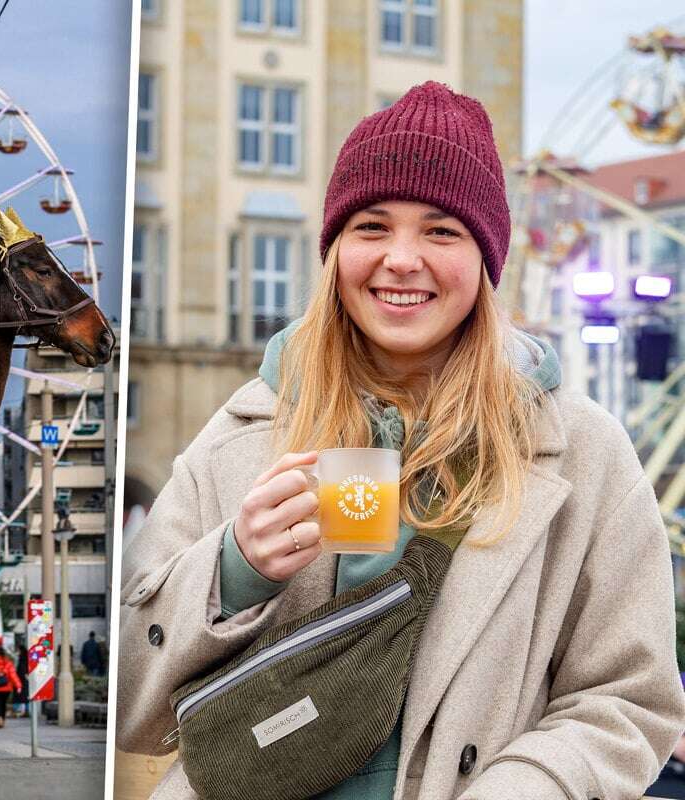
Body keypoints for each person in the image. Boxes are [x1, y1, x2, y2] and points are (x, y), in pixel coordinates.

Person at [116, 82, 685, 799]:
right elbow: (128, 705)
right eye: (372, 226)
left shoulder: (583, 450)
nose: (401, 259)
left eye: (442, 231)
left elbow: (630, 702)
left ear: (485, 258)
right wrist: (234, 573)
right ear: (335, 251)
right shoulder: (243, 431)